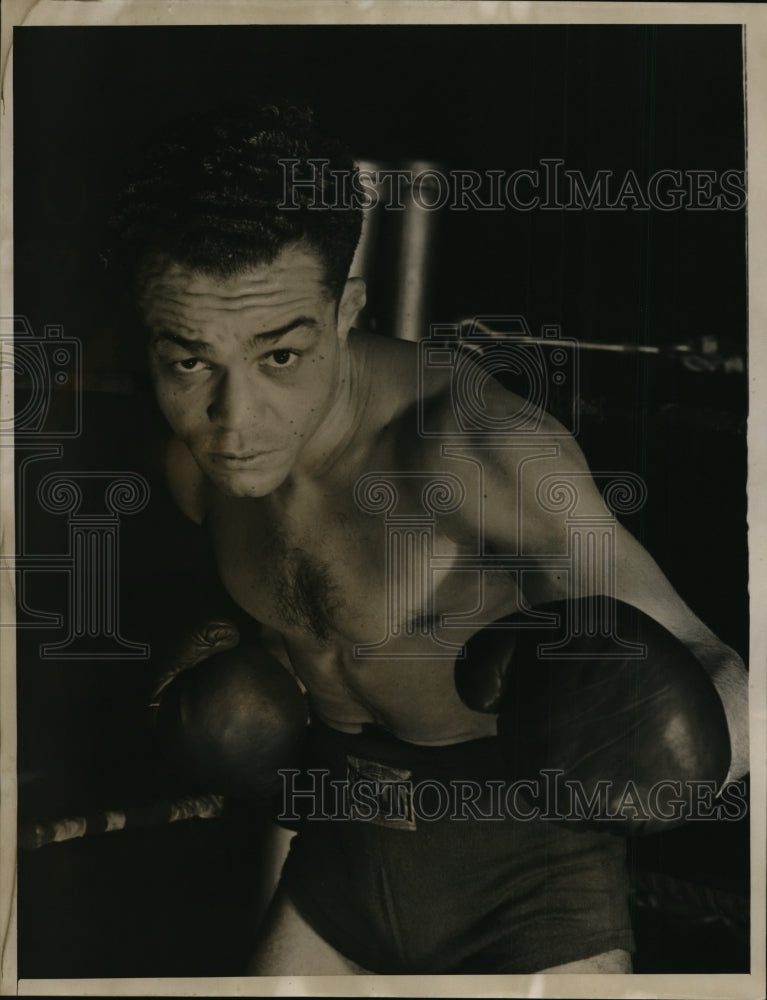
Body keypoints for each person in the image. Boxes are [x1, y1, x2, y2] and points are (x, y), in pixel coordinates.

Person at [111, 103, 749, 975]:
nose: (235, 419)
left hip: (525, 894)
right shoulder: (196, 472)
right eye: (189, 361)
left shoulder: (476, 447)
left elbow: (724, 675)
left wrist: (679, 756)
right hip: (338, 866)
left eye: (280, 356)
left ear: (346, 310)